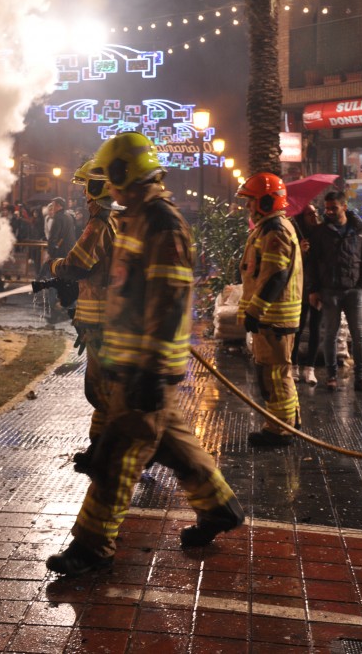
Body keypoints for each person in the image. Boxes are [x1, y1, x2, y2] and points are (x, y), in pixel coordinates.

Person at [46, 132, 244, 578]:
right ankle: (220, 509)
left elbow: (170, 300)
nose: (106, 188)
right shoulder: (137, 218)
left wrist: (150, 371)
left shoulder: (162, 223)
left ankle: (92, 547)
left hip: (146, 367)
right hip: (133, 362)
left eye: (109, 178)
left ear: (122, 174)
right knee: (175, 444)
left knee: (118, 456)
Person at [48, 160, 116, 474]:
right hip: (105, 318)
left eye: (85, 187)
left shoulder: (99, 224)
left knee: (100, 389)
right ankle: (101, 447)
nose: (83, 196)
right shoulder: (112, 220)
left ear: (95, 187)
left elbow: (79, 265)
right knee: (102, 390)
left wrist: (55, 266)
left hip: (102, 320)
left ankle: (114, 450)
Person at [237, 173, 303, 447]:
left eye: (251, 201)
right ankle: (290, 422)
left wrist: (255, 311)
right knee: (279, 373)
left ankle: (279, 431)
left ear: (265, 200)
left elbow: (275, 275)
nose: (248, 206)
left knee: (274, 375)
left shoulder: (275, 230)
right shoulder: (270, 228)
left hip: (273, 319)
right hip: (273, 318)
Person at [308, 190, 362, 393]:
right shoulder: (319, 232)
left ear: (344, 206)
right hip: (329, 290)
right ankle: (332, 376)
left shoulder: (360, 231)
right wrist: (314, 289)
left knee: (359, 335)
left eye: (333, 208)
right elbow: (313, 263)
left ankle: (360, 378)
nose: (329, 212)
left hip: (354, 290)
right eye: (327, 208)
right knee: (330, 335)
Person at [290, 203, 322, 386]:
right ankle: (294, 365)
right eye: (310, 214)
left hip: (318, 289)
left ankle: (310, 368)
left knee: (316, 329)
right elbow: (290, 264)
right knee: (298, 328)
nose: (314, 216)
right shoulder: (295, 236)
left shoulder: (321, 234)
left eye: (315, 213)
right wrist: (300, 252)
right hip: (300, 290)